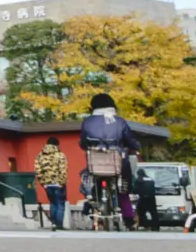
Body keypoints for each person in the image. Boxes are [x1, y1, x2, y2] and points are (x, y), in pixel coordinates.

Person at [78, 94, 136, 227]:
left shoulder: (87, 121)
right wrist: (135, 146)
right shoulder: (119, 121)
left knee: (93, 177)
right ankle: (128, 218)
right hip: (116, 162)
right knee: (124, 185)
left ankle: (93, 201)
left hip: (96, 162)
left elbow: (83, 141)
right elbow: (129, 139)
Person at [34, 138, 69, 230]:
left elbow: (38, 171)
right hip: (58, 183)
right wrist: (62, 182)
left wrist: (43, 183)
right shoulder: (60, 155)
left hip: (47, 184)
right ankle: (59, 225)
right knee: (60, 204)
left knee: (52, 203)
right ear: (57, 145)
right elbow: (63, 170)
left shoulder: (40, 156)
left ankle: (53, 224)